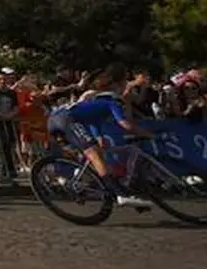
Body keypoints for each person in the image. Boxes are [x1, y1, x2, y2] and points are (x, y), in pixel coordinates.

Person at [48, 65, 153, 208]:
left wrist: (99, 137)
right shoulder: (112, 102)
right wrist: (149, 134)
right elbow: (125, 125)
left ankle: (76, 182)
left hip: (56, 120)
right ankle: (120, 195)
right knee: (94, 153)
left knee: (96, 153)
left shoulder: (98, 103)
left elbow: (92, 121)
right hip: (65, 119)